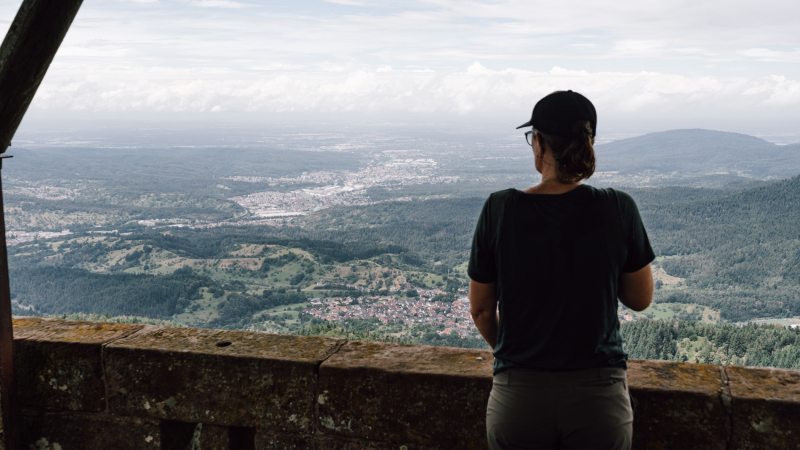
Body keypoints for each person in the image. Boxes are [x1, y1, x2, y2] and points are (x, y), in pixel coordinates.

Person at [468, 90, 655, 450]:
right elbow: (640, 299)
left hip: (519, 396)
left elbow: (480, 310)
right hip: (599, 398)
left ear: (538, 144)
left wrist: (514, 351)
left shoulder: (500, 209)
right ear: (588, 143)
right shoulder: (618, 207)